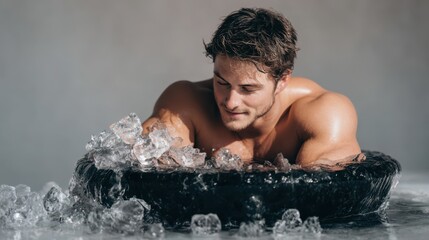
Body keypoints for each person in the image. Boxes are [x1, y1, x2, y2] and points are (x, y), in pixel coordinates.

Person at [142, 7, 361, 167]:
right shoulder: (184, 104)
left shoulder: (324, 113)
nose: (230, 102)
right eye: (222, 83)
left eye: (248, 89)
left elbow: (321, 198)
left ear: (282, 80)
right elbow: (149, 178)